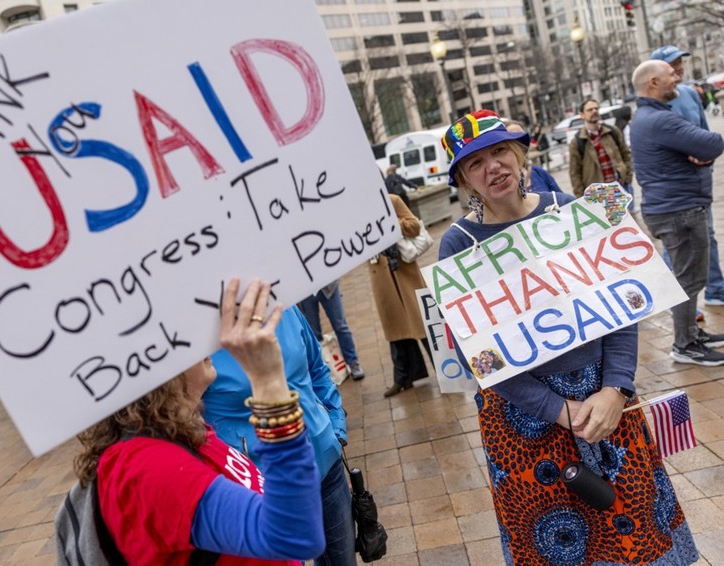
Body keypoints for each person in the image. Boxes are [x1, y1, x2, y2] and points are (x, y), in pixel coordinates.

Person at [437, 109, 699, 564]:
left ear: (519, 154)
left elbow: (622, 306)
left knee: (635, 524)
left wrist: (616, 388)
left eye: (500, 152)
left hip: (605, 401)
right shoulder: (458, 244)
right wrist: (557, 410)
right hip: (523, 419)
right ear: (463, 180)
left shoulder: (570, 211)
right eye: (475, 163)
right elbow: (477, 356)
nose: (493, 167)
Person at [73, 278, 325, 564]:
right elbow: (295, 533)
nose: (204, 340)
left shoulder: (178, 429)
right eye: (183, 333)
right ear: (150, 362)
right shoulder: (147, 466)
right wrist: (267, 380)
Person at [203, 305, 355, 566]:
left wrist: (335, 427)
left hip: (325, 465)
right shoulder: (201, 342)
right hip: (265, 483)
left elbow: (318, 370)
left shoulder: (284, 307)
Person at [632, 60, 724, 366]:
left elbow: (702, 149)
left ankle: (691, 335)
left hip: (673, 208)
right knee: (690, 279)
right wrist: (701, 153)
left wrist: (699, 154)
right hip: (679, 210)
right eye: (671, 74)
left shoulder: (646, 117)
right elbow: (712, 143)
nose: (677, 78)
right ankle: (684, 344)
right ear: (653, 82)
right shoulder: (660, 120)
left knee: (690, 276)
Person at [650, 45, 724, 308]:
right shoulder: (654, 104)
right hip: (675, 186)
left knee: (709, 235)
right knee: (677, 244)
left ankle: (716, 290)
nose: (679, 68)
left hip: (700, 178)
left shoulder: (691, 94)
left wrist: (706, 158)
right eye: (673, 64)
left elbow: (704, 133)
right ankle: (677, 301)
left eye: (680, 62)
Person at [369, 194, 432, 397]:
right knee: (395, 327)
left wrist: (393, 222)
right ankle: (403, 377)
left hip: (404, 268)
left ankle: (447, 369)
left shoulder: (392, 200)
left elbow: (414, 227)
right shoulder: (355, 212)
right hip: (381, 274)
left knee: (422, 322)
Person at [298, 279, 365, 380]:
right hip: (304, 292)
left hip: (328, 285)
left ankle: (353, 363)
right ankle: (323, 372)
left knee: (340, 326)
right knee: (313, 335)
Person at [568, 98, 633, 199]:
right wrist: (581, 197)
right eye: (590, 110)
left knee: (629, 210)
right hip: (598, 194)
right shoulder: (577, 141)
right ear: (582, 115)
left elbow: (626, 154)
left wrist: (627, 177)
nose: (594, 111)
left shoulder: (612, 131)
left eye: (596, 108)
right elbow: (575, 173)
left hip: (621, 187)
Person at [505, 121, 562, 193]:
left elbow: (561, 197)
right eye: (513, 138)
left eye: (522, 137)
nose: (519, 143)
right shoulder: (502, 184)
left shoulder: (538, 172)